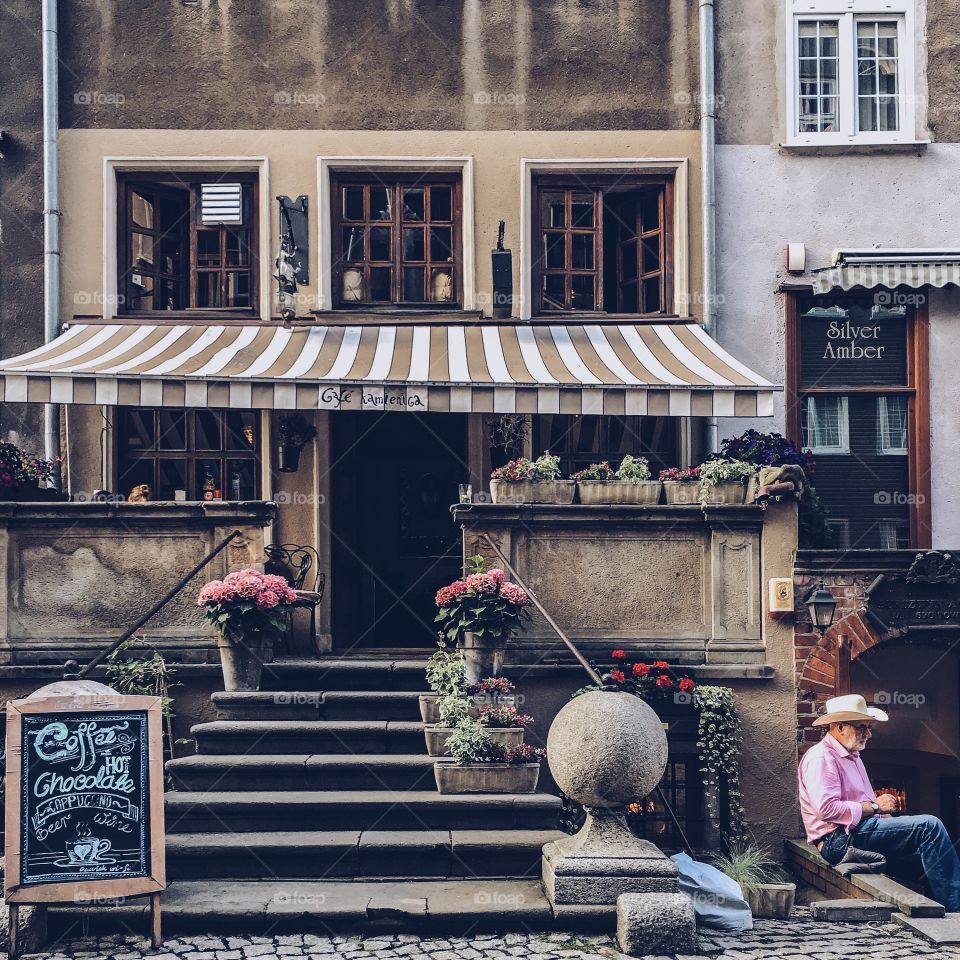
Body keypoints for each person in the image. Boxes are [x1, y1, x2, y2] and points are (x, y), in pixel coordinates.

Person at [798, 693, 960, 912]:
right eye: (862, 727)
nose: (869, 734)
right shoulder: (821, 757)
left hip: (858, 832)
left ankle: (937, 914)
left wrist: (889, 820)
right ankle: (956, 913)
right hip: (838, 841)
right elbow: (826, 809)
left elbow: (870, 807)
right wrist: (876, 806)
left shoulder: (853, 756)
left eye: (869, 727)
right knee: (930, 826)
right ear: (838, 727)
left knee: (929, 859)